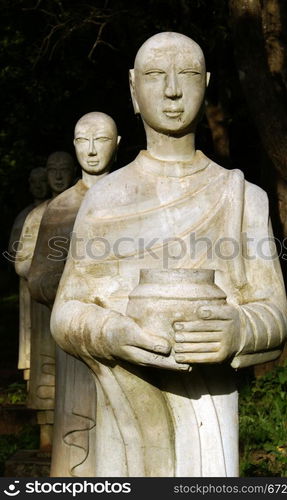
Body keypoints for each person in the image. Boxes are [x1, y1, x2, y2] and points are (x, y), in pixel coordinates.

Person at [51, 33, 287, 476]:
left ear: (207, 84)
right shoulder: (105, 198)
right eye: (156, 76)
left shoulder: (241, 197)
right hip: (125, 407)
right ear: (133, 89)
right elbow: (66, 313)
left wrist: (238, 331)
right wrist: (111, 332)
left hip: (210, 413)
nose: (173, 90)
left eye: (189, 75)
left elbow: (273, 312)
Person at [27, 112, 119, 476]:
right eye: (84, 140)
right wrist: (83, 287)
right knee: (80, 445)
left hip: (124, 334)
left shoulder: (135, 197)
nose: (92, 150)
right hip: (77, 337)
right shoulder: (62, 207)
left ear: (118, 143)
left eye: (101, 139)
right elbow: (39, 281)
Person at [15, 151, 75, 451]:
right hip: (45, 303)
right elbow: (21, 260)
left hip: (79, 302)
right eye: (53, 169)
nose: (59, 175)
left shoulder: (88, 204)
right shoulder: (36, 215)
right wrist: (45, 274)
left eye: (64, 169)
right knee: (48, 374)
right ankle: (47, 441)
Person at [7, 167, 48, 383]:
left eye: (43, 180)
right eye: (36, 182)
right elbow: (15, 254)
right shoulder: (27, 216)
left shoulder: (57, 208)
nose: (40, 186)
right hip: (31, 285)